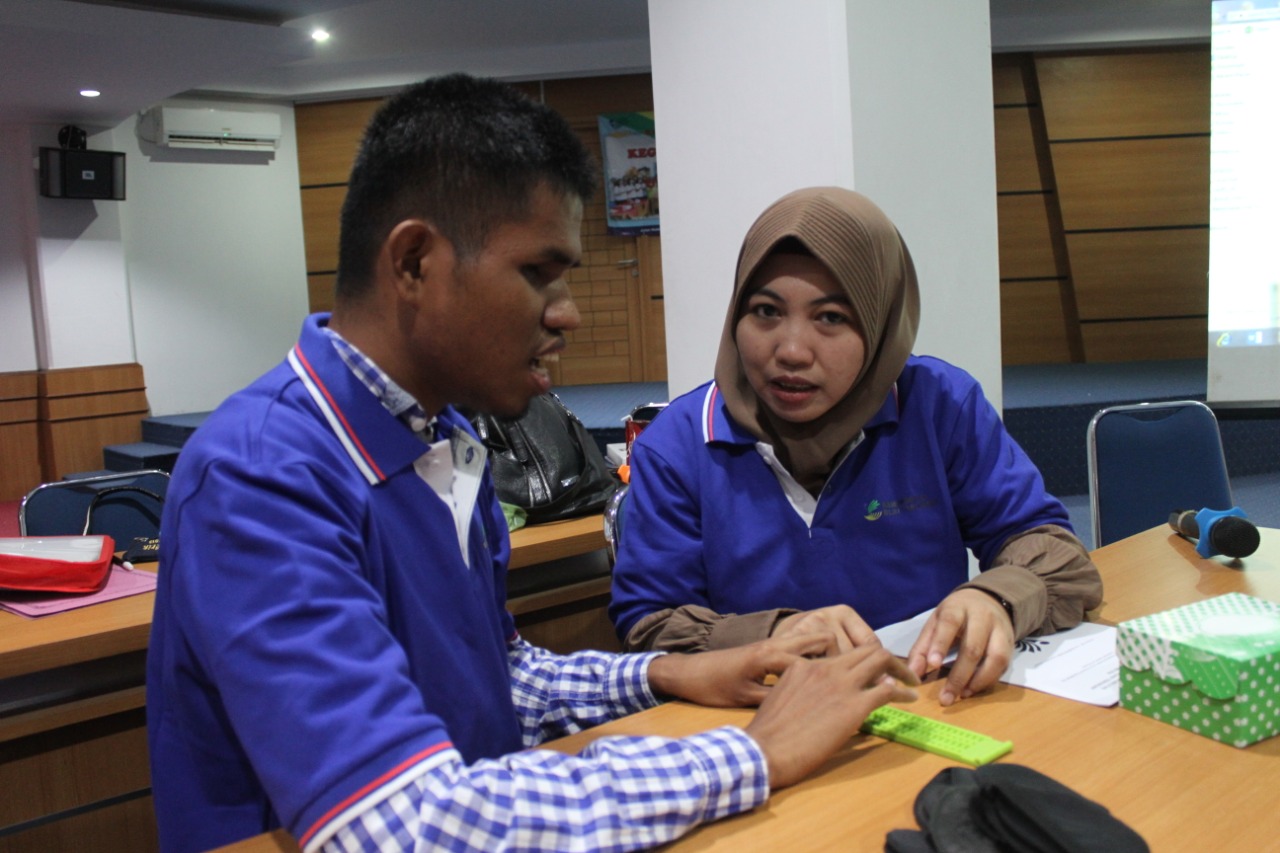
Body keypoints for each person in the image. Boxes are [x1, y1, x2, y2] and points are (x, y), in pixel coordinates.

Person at [146, 78, 920, 853]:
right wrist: (752, 752)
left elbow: (497, 677)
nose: (568, 311)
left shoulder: (443, 436)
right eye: (538, 274)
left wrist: (669, 676)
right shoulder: (260, 476)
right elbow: (399, 825)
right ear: (414, 262)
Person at [609, 186, 1103, 708]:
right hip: (762, 728)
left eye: (831, 318)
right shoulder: (678, 445)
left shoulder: (938, 407)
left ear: (881, 324)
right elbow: (650, 626)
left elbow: (1059, 560)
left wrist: (997, 597)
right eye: (765, 311)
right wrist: (777, 636)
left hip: (931, 705)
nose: (792, 351)